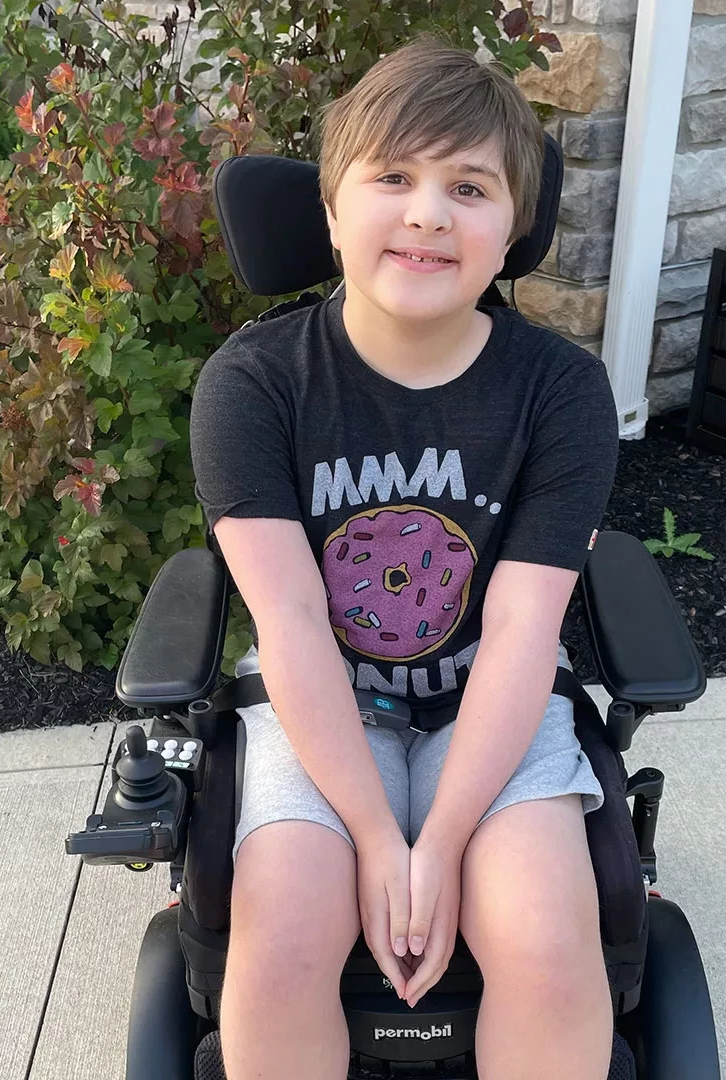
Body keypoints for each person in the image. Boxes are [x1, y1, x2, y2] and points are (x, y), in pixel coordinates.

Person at [189, 31, 620, 1080]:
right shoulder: (253, 386)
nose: (429, 211)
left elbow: (523, 627)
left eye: (469, 186)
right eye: (392, 177)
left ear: (514, 226)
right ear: (331, 212)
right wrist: (384, 842)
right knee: (283, 943)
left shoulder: (559, 392)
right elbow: (289, 621)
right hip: (322, 699)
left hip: (495, 700)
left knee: (550, 949)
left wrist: (447, 839)